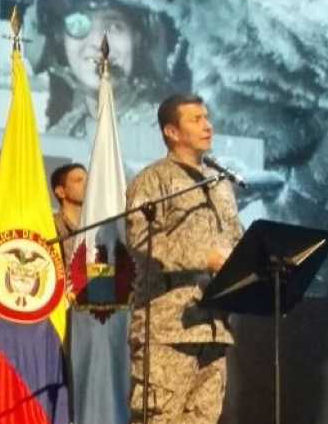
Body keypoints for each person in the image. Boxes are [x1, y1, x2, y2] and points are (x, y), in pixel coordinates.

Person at [124, 93, 244, 424]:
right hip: (168, 329)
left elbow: (235, 239)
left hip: (214, 329)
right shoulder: (153, 180)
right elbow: (143, 241)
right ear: (171, 132)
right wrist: (203, 258)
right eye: (196, 119)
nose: (208, 125)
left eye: (207, 118)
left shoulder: (220, 186)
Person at [29, 0, 189, 139]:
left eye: (114, 26)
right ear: (59, 38)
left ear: (142, 40)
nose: (97, 43)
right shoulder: (65, 130)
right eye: (78, 23)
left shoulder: (167, 134)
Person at [51, 162, 88, 278]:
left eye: (88, 180)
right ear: (60, 192)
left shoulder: (98, 230)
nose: (87, 185)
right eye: (78, 180)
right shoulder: (51, 226)